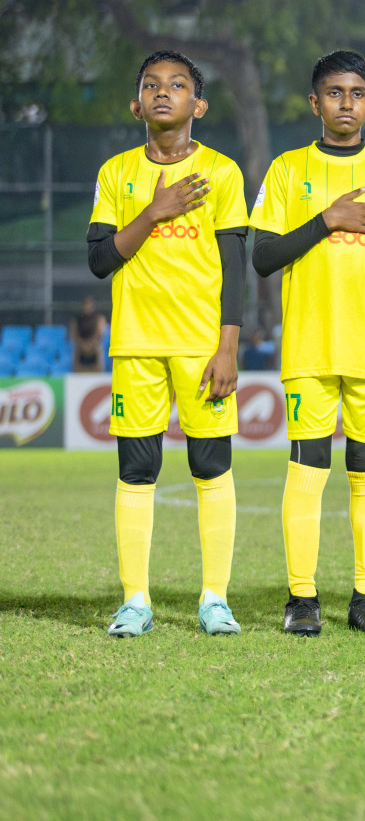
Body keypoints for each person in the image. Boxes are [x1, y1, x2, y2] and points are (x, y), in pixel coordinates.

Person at [251, 50, 365, 635]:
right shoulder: (285, 169)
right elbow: (263, 256)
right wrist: (328, 218)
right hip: (309, 345)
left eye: (355, 93)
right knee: (308, 466)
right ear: (314, 103)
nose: (345, 103)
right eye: (333, 93)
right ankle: (302, 599)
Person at [86, 50, 247, 637]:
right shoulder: (116, 173)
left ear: (197, 105)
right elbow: (102, 259)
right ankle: (136, 600)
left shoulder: (223, 174)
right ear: (136, 104)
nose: (163, 92)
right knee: (137, 468)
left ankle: (214, 599)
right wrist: (155, 210)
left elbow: (235, 267)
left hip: (202, 346)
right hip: (136, 344)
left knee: (210, 465)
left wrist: (228, 348)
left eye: (177, 85)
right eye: (151, 85)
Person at [70, 295, 107, 372]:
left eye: (89, 304)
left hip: (94, 345)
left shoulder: (99, 318)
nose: (87, 306)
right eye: (86, 304)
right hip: (81, 345)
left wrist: (91, 344)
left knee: (99, 349)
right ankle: (77, 374)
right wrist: (82, 344)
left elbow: (100, 333)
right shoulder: (78, 319)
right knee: (75, 350)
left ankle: (99, 373)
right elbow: (74, 334)